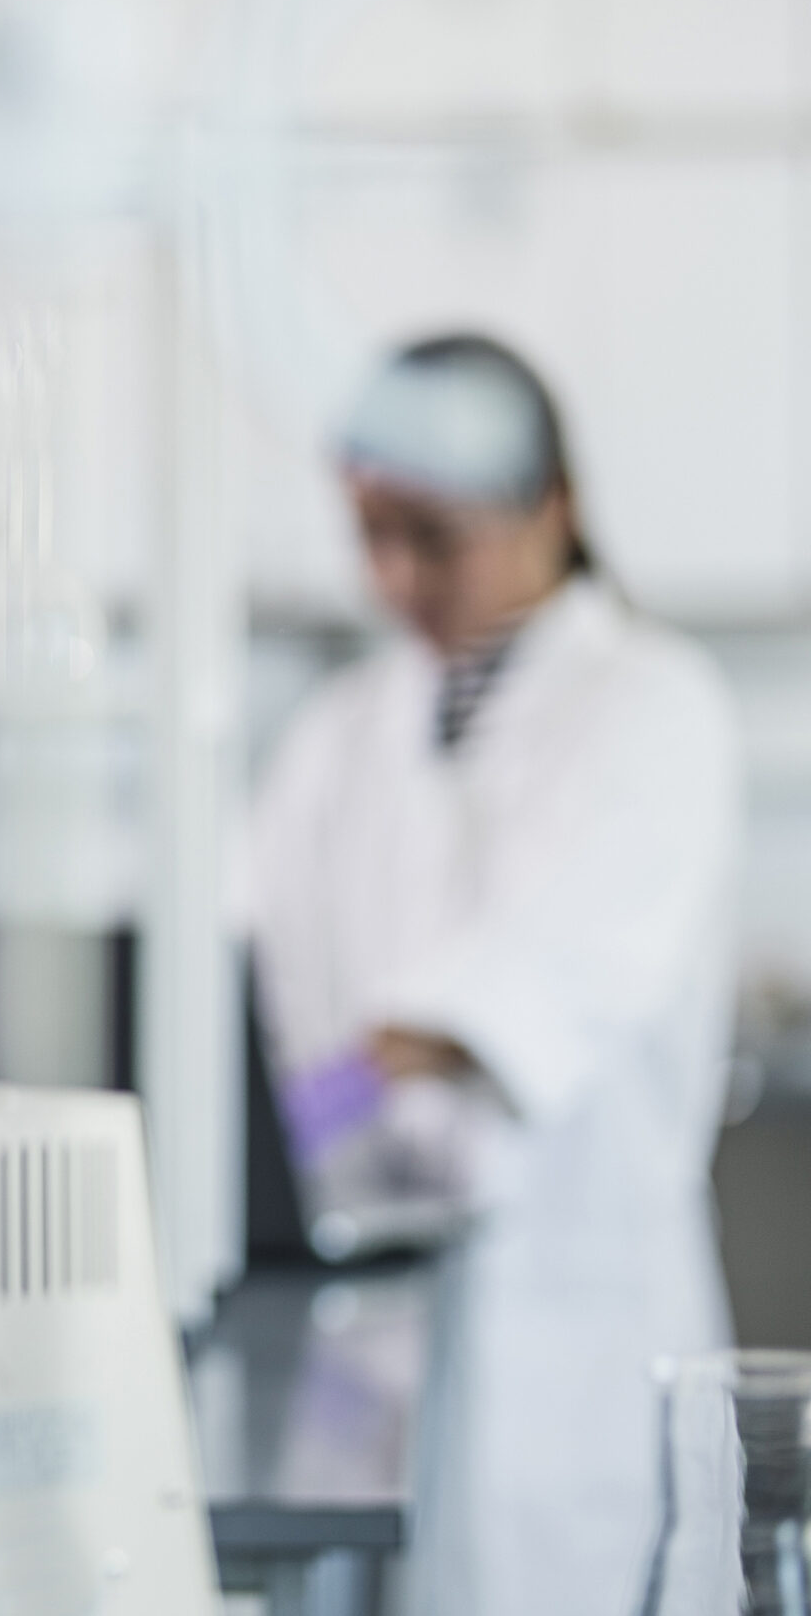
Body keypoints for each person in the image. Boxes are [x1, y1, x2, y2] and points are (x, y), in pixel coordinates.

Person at [250, 333, 740, 1616]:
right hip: (364, 1296)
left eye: (433, 536)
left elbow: (530, 988)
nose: (396, 576)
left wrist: (336, 1088)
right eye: (371, 535)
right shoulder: (339, 732)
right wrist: (314, 1106)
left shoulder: (654, 706)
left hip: (578, 1300)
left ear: (551, 508)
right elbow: (277, 998)